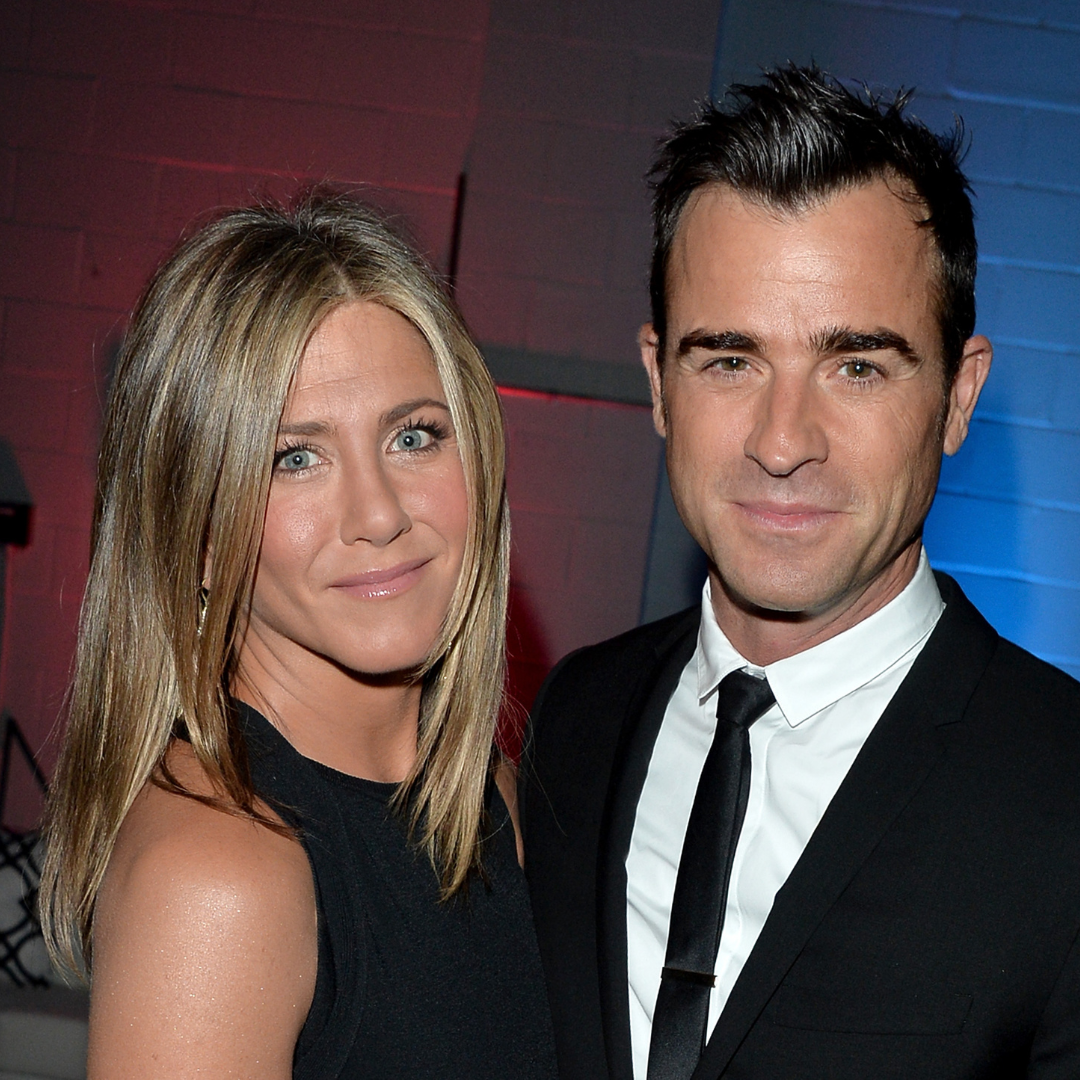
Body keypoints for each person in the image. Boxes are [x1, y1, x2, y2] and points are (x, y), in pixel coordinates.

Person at [520, 66, 1080, 1080]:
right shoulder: (575, 719)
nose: (782, 443)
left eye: (856, 366)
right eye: (729, 360)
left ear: (958, 397)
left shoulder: (1063, 796)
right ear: (658, 382)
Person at [39, 190, 558, 1079]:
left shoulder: (499, 803)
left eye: (414, 436)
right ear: (197, 533)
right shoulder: (218, 874)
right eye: (295, 457)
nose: (379, 514)